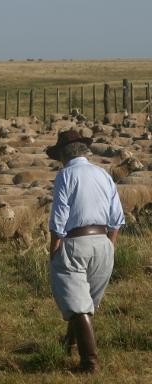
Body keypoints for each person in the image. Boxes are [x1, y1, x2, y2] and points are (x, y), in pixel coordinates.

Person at [46, 130, 125, 373]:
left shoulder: (66, 175)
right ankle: (69, 343)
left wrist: (54, 247)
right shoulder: (102, 174)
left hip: (75, 242)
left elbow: (60, 213)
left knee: (79, 304)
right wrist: (110, 244)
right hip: (103, 243)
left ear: (62, 155)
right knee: (84, 299)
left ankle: (89, 363)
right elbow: (117, 216)